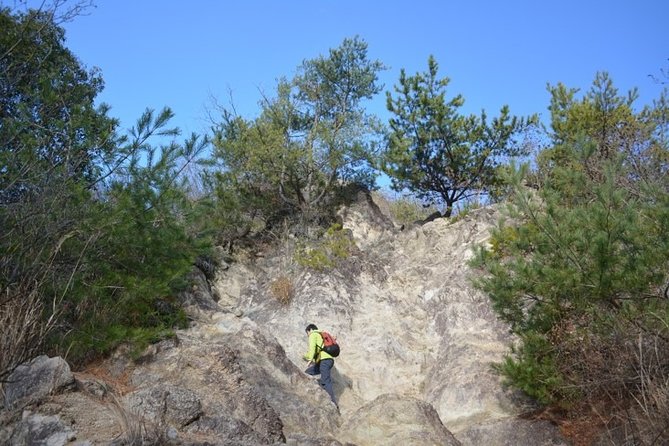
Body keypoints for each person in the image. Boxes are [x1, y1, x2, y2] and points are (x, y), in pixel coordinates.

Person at [303, 323, 338, 409]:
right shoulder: (321, 334)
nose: (308, 336)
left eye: (307, 333)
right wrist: (305, 356)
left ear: (309, 330)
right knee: (307, 373)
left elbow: (312, 349)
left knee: (325, 381)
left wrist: (309, 359)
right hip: (328, 361)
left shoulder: (313, 335)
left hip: (324, 361)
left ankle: (333, 404)